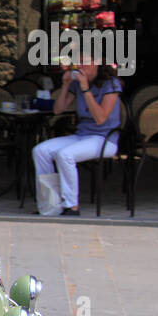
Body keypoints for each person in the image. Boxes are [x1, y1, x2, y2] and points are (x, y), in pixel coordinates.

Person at [32, 58, 123, 216]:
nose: (79, 65)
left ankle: (71, 206)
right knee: (40, 150)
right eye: (77, 62)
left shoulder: (111, 84)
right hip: (83, 135)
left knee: (65, 155)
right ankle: (50, 204)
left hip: (105, 139)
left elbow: (100, 118)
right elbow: (58, 110)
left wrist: (86, 89)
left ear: (97, 62)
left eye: (84, 61)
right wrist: (66, 85)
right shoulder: (76, 83)